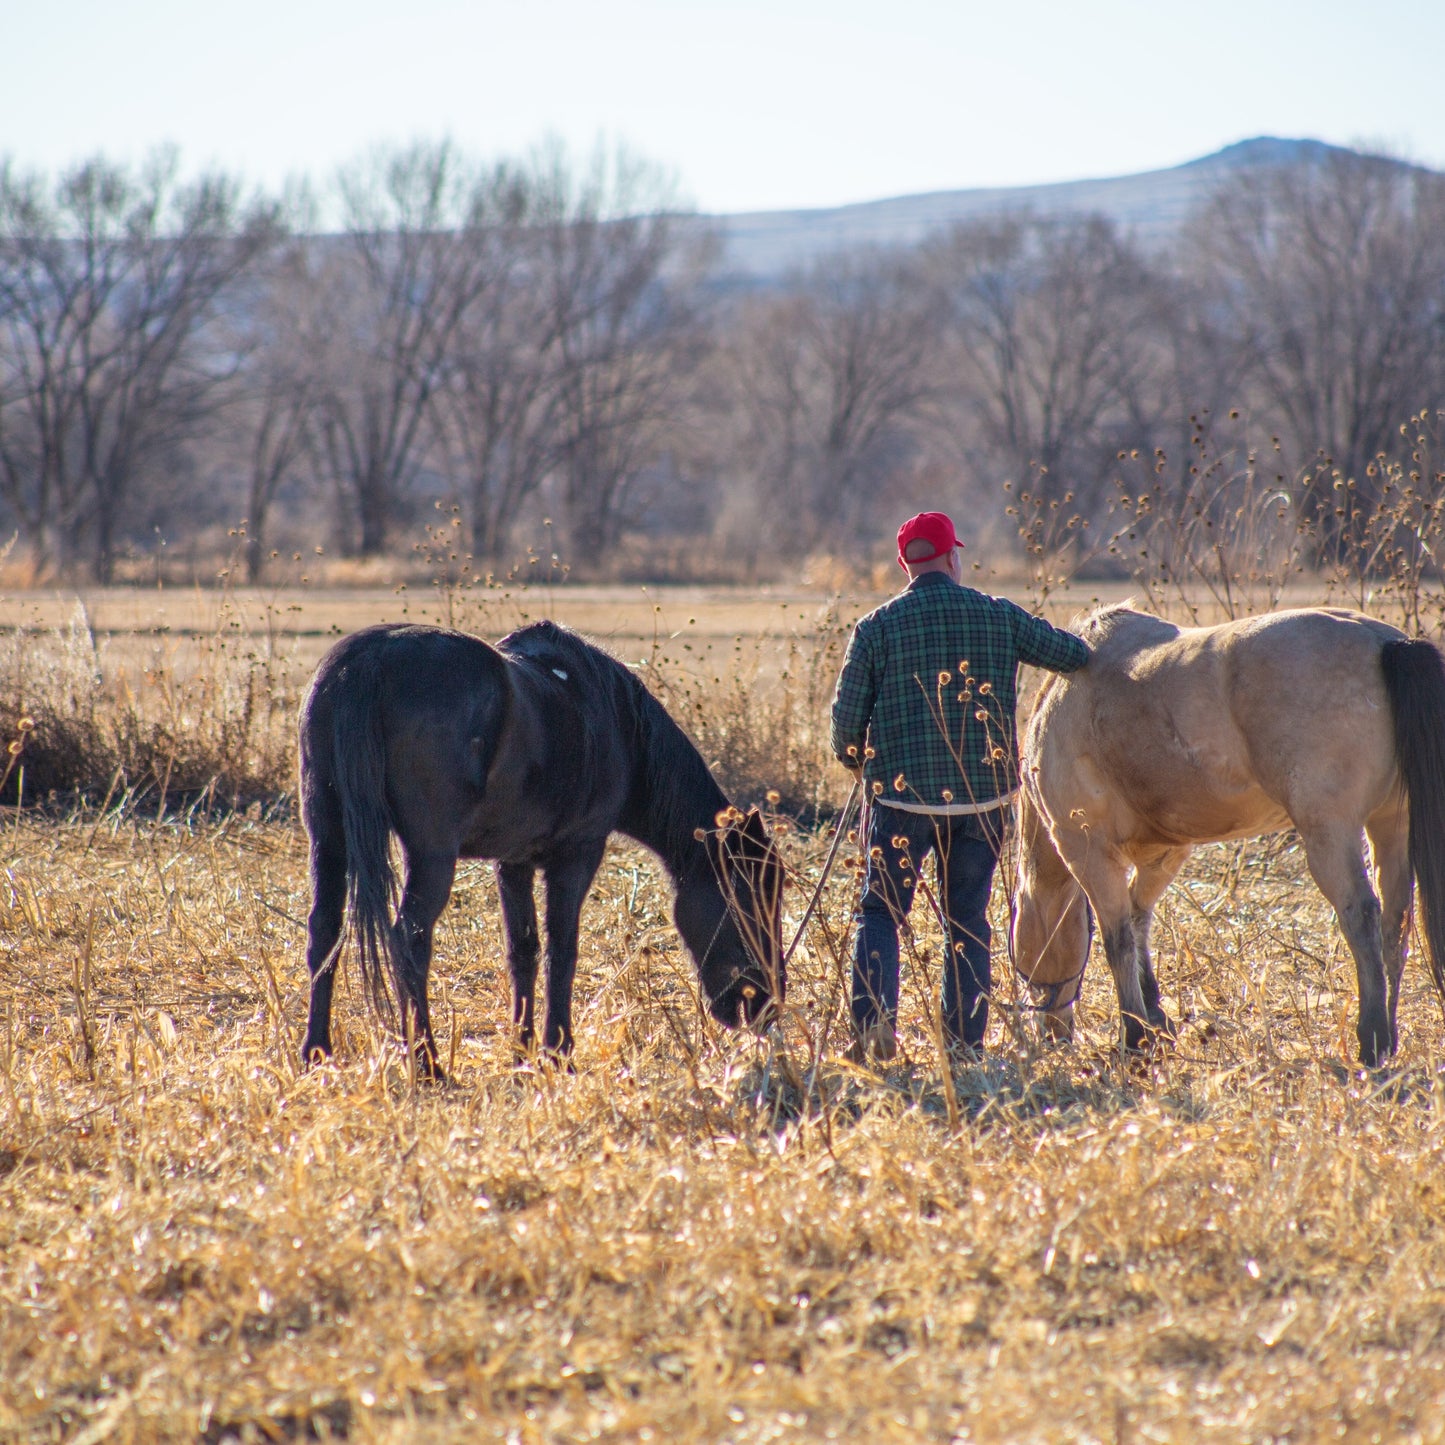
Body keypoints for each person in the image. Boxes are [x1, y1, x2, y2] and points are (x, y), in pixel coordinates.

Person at [830, 510, 1090, 1062]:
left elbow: (846, 725)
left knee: (880, 913)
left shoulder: (875, 628)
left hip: (899, 803)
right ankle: (964, 1048)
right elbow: (1073, 656)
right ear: (953, 558)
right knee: (966, 922)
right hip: (984, 801)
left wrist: (858, 763)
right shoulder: (999, 617)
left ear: (905, 565)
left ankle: (874, 1029)